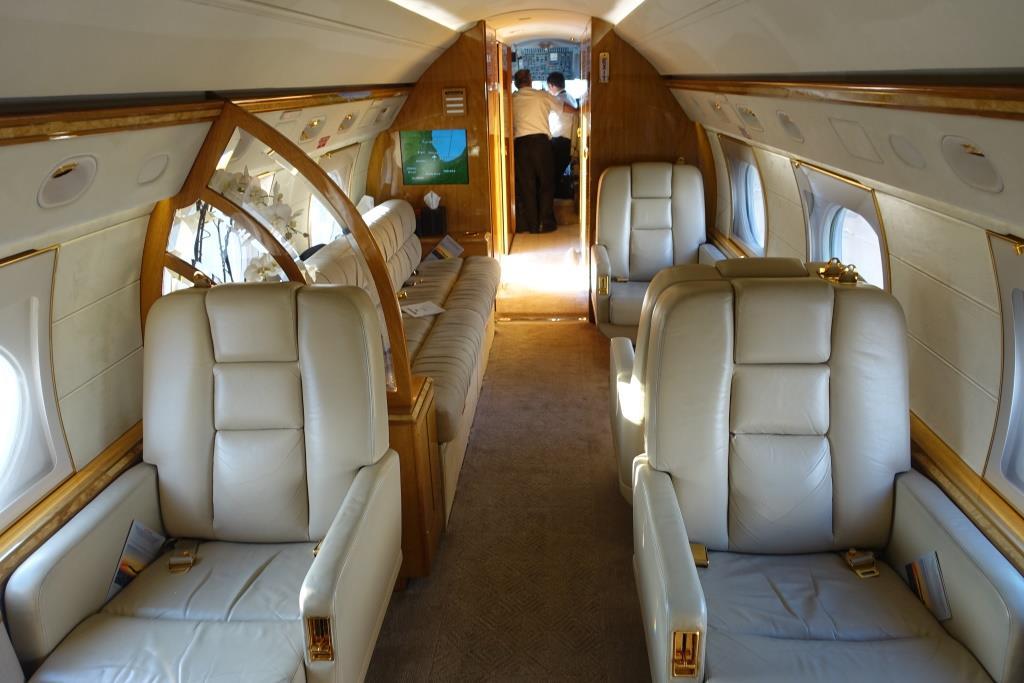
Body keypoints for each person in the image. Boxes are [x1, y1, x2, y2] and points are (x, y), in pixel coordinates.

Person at [511, 69, 577, 233]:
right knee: (547, 183)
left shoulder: (511, 99)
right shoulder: (542, 96)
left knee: (527, 185)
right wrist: (581, 110)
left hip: (520, 144)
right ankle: (545, 222)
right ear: (530, 80)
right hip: (541, 144)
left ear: (516, 84)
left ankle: (532, 225)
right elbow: (565, 108)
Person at [546, 72, 577, 199]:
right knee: (556, 175)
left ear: (552, 86)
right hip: (569, 143)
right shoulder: (572, 98)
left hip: (558, 143)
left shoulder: (557, 100)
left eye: (549, 87)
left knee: (551, 176)